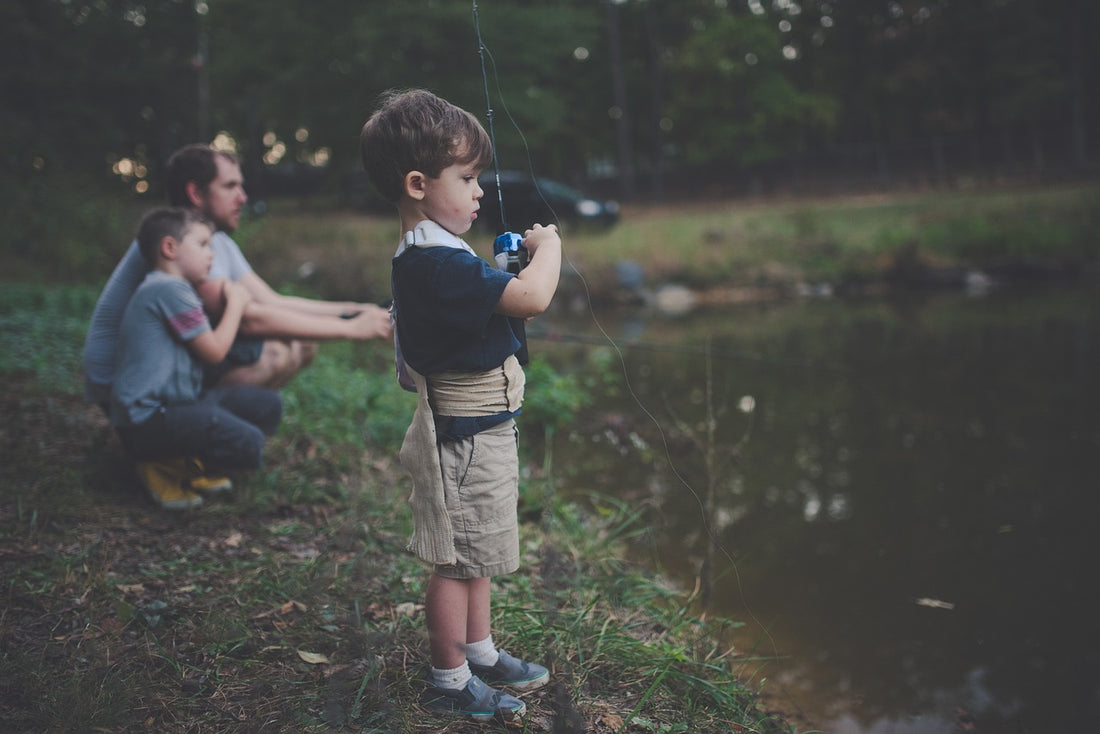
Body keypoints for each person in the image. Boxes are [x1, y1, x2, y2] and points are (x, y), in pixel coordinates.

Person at [360, 88, 562, 723]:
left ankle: (479, 649)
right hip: (467, 436)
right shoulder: (435, 263)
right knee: (456, 561)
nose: (479, 191)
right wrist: (548, 248)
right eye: (468, 177)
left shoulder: (437, 254)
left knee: (478, 551)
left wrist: (501, 267)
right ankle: (449, 678)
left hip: (483, 429)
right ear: (418, 183)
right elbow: (530, 299)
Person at [83, 143, 392, 493]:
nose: (243, 197)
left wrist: (357, 309)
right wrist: (352, 330)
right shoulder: (179, 250)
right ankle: (176, 448)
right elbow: (250, 320)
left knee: (300, 343)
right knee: (276, 351)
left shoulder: (212, 242)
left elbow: (273, 301)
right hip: (129, 390)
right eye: (230, 186)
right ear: (195, 192)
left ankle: (201, 438)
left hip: (164, 374)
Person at [110, 207, 283, 509]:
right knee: (249, 442)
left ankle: (182, 461)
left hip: (177, 405)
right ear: (169, 248)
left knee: (268, 405)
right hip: (146, 420)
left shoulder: (172, 288)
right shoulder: (168, 288)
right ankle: (159, 465)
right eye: (203, 245)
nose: (211, 255)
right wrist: (237, 303)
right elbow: (215, 352)